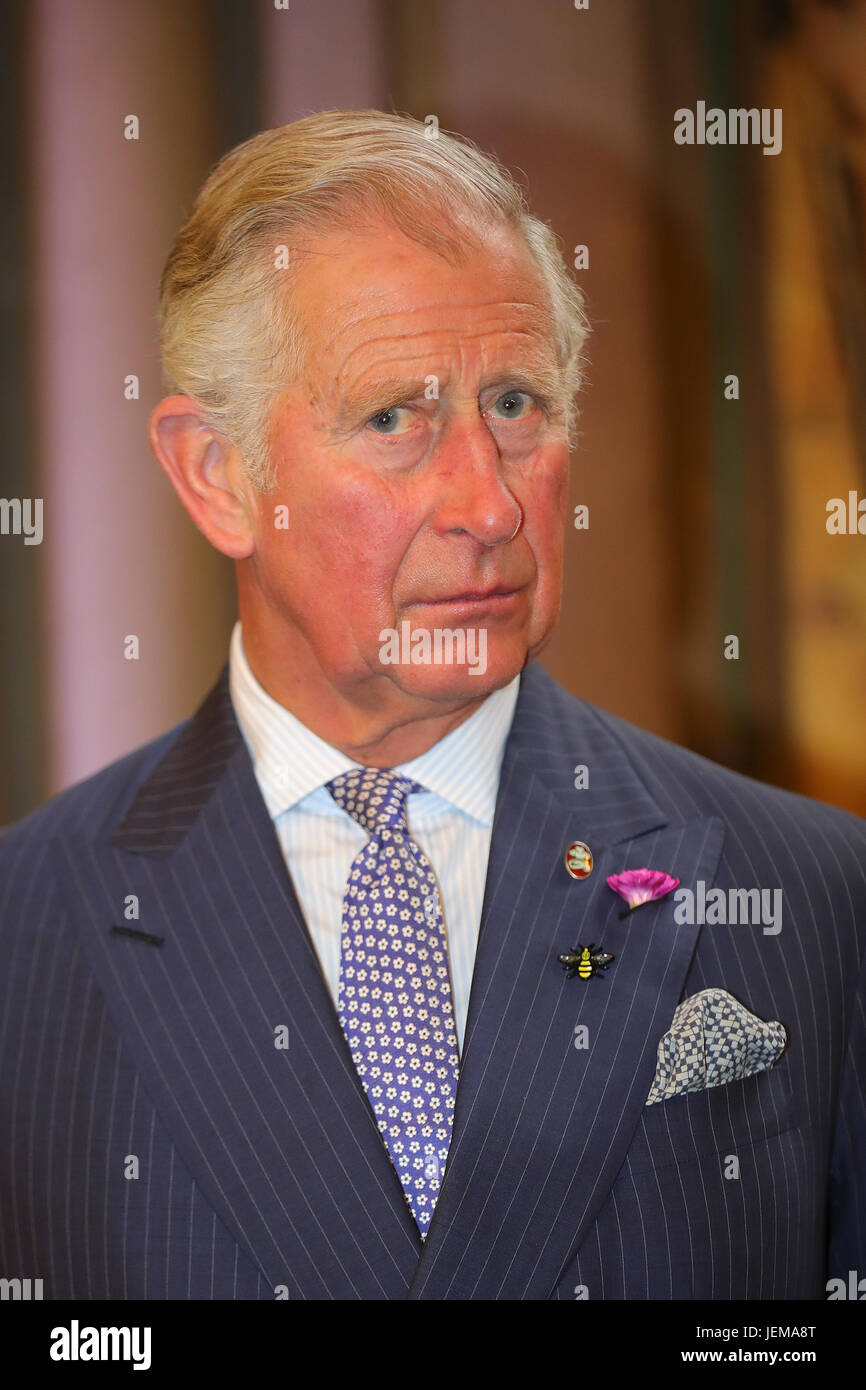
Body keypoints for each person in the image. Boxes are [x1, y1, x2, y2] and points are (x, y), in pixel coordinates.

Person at [1, 109, 863, 1301]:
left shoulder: (819, 895)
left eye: (514, 406)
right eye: (394, 416)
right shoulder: (23, 932)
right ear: (219, 475)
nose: (488, 504)